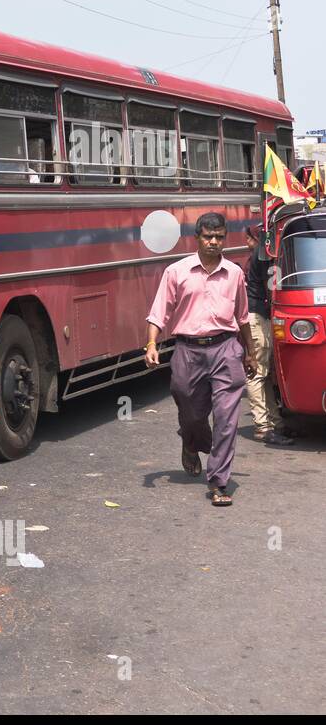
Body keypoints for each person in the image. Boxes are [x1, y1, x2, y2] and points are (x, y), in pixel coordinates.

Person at [145, 213, 257, 507]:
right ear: (197, 237)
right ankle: (191, 441)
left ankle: (219, 481)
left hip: (225, 350)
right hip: (188, 351)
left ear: (224, 238)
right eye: (208, 236)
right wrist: (152, 343)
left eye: (219, 237)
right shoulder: (176, 271)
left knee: (226, 419)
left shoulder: (234, 273)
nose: (213, 242)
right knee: (190, 411)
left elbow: (242, 316)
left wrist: (250, 352)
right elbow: (159, 312)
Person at [244, 224, 293, 445]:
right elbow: (271, 288)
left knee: (265, 373)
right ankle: (262, 427)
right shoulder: (264, 254)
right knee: (258, 371)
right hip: (258, 315)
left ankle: (276, 423)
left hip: (261, 314)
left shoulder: (267, 252)